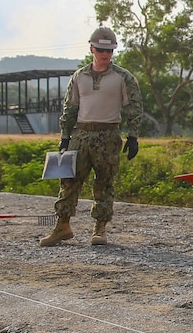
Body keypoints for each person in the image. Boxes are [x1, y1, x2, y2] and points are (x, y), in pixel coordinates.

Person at [40, 26, 143, 247]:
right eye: (100, 50)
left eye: (110, 51)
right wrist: (65, 137)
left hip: (108, 134)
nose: (105, 54)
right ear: (91, 49)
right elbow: (70, 107)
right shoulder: (79, 77)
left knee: (104, 182)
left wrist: (133, 136)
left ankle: (100, 228)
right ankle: (62, 226)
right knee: (69, 181)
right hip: (81, 133)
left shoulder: (123, 77)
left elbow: (133, 107)